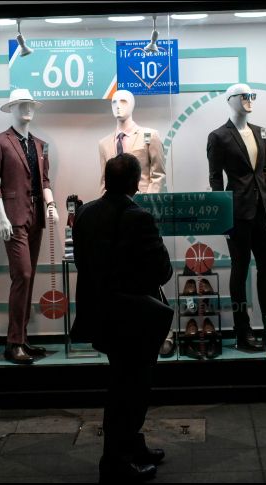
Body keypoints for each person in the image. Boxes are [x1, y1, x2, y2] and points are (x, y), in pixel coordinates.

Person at [71, 153, 173, 482]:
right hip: (132, 317)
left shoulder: (85, 213)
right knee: (131, 389)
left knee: (121, 383)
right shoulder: (138, 217)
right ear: (135, 182)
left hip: (101, 313)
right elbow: (163, 271)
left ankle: (132, 446)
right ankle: (115, 460)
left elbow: (82, 263)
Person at [0, 89, 59, 365]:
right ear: (12, 109)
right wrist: (1, 217)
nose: (26, 108)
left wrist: (51, 205)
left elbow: (45, 180)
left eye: (29, 104)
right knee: (22, 275)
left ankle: (23, 339)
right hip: (12, 218)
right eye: (21, 104)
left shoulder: (40, 144)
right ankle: (13, 342)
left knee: (29, 276)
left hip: (36, 217)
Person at [207, 83, 266, 352]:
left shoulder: (260, 132)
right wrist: (220, 213)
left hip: (261, 210)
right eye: (244, 96)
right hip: (236, 212)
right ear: (231, 100)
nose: (249, 100)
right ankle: (243, 332)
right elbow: (215, 177)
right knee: (240, 271)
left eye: (252, 95)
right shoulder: (218, 136)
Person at [98, 89, 166, 194]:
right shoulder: (104, 144)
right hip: (113, 205)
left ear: (132, 105)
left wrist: (148, 201)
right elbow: (104, 181)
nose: (118, 106)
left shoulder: (150, 136)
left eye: (123, 101)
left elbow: (158, 174)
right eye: (114, 102)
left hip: (141, 202)